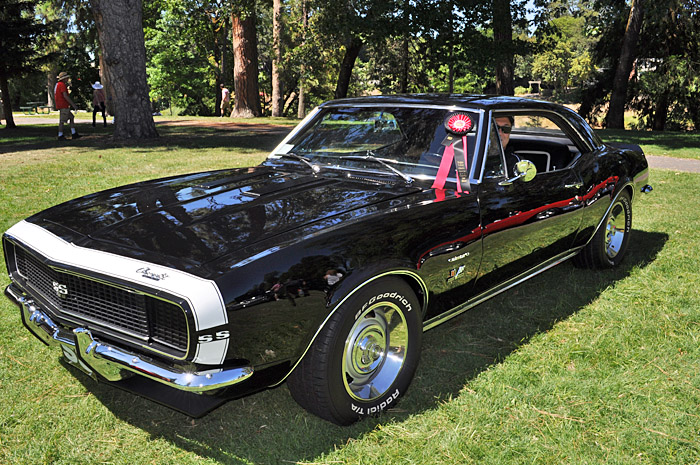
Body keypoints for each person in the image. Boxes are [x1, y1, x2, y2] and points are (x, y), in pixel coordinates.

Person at [54, 72, 81, 140]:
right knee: (62, 121)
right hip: (63, 104)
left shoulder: (58, 84)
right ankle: (60, 135)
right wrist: (73, 104)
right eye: (66, 78)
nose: (68, 79)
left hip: (62, 104)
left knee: (71, 117)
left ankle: (74, 133)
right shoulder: (62, 85)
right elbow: (65, 96)